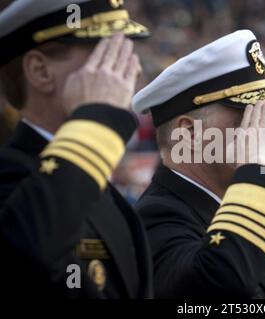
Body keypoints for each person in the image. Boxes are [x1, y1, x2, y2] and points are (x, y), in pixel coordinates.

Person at [132, 30, 265, 298]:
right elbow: (219, 288)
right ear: (189, 133)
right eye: (248, 118)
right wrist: (258, 175)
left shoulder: (223, 204)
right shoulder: (158, 216)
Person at [0, 0, 152, 298]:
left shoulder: (99, 187)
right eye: (107, 55)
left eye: (126, 53)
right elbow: (27, 253)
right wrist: (96, 122)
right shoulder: (11, 177)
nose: (130, 71)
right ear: (40, 71)